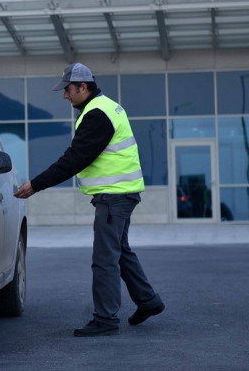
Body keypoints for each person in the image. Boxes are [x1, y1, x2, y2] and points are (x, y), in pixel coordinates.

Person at [14, 63, 164, 337]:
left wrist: (36, 184)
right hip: (121, 194)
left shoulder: (97, 115)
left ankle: (105, 319)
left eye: (68, 90)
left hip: (113, 197)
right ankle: (148, 301)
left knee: (104, 259)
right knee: (119, 252)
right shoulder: (105, 107)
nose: (65, 96)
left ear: (84, 87)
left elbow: (75, 158)